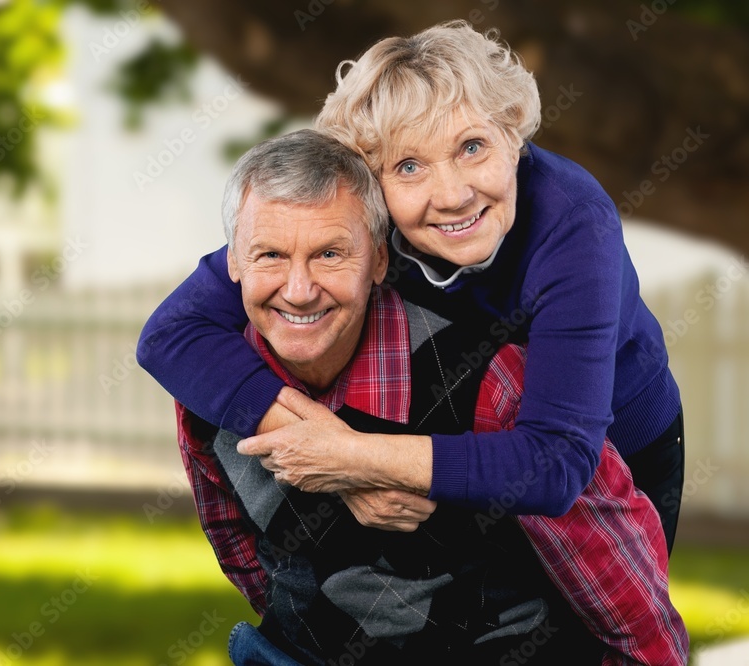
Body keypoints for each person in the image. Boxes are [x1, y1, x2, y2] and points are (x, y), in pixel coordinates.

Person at [138, 20, 685, 553]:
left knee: (614, 620)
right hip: (454, 444)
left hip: (613, 446)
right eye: (408, 166)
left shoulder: (574, 223)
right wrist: (327, 447)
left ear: (513, 132)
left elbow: (556, 463)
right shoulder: (360, 215)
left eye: (472, 147)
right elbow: (170, 335)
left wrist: (353, 458)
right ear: (371, 178)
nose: (451, 195)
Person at [174, 128, 686, 664]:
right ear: (232, 264)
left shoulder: (492, 380)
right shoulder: (209, 380)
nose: (299, 290)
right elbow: (242, 550)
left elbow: (627, 603)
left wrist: (361, 460)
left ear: (378, 260)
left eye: (329, 254)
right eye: (270, 255)